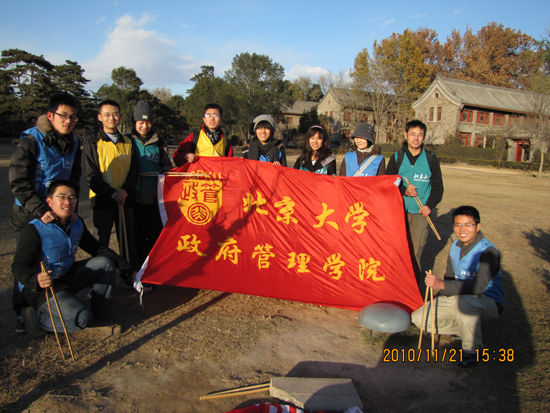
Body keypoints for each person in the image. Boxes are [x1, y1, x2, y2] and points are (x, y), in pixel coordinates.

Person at [13, 180, 132, 334]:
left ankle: (101, 318)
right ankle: (35, 317)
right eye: (61, 197)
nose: (67, 202)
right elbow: (18, 266)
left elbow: (97, 249)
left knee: (104, 263)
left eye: (72, 198)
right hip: (42, 289)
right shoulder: (34, 229)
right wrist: (35, 279)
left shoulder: (76, 223)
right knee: (81, 318)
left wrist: (126, 268)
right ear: (49, 201)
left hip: (65, 277)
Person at [9, 92, 82, 333]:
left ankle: (52, 302)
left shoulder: (73, 142)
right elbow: (18, 181)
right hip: (31, 211)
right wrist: (41, 209)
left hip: (59, 210)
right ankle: (22, 310)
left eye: (73, 117)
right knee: (28, 263)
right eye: (63, 116)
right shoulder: (32, 140)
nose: (68, 121)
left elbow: (74, 180)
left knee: (54, 258)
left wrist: (72, 207)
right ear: (50, 116)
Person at [411, 205, 503, 367]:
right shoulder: (455, 247)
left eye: (468, 224)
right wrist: (440, 296)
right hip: (459, 296)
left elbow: (478, 287)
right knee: (419, 319)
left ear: (478, 227)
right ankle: (466, 329)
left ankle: (472, 350)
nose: (462, 229)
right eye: (458, 225)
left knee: (466, 302)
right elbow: (450, 277)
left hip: (486, 301)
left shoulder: (489, 252)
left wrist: (440, 284)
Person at [82, 100, 139, 278]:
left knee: (128, 240)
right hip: (102, 200)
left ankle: (129, 275)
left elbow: (134, 171)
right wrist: (111, 193)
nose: (111, 118)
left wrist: (125, 191)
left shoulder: (129, 142)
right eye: (107, 114)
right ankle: (100, 278)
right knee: (102, 242)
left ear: (120, 116)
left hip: (125, 198)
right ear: (100, 117)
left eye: (115, 114)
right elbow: (91, 175)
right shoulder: (93, 142)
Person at [386, 120, 443, 270]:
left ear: (424, 137)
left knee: (415, 253)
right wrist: (404, 190)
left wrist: (429, 206)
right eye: (412, 134)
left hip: (420, 214)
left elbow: (438, 188)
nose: (415, 138)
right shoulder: (397, 158)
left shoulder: (431, 159)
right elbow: (388, 184)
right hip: (398, 212)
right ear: (406, 135)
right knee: (395, 251)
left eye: (420, 135)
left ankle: (411, 290)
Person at [128, 101, 172, 265]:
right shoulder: (128, 141)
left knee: (155, 236)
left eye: (147, 122)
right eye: (140, 122)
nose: (144, 126)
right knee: (137, 236)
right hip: (134, 197)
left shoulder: (159, 142)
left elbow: (166, 165)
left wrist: (164, 175)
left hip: (155, 198)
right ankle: (139, 269)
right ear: (135, 123)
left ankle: (155, 267)